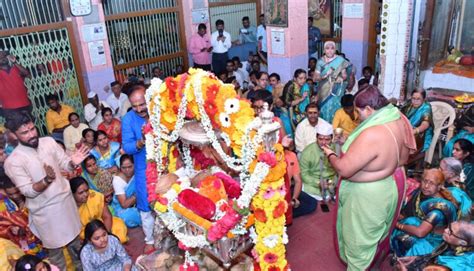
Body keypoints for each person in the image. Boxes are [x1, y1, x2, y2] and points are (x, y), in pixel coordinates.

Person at [321, 86, 417, 270]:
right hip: (391, 184)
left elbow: (344, 169)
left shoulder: (373, 133)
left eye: (358, 111)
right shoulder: (397, 118)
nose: (357, 116)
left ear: (369, 110)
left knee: (359, 240)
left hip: (369, 195)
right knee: (378, 232)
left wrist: (329, 153)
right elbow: (403, 157)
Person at [4, 113, 88, 269]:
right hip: (46, 214)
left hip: (66, 205)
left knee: (78, 250)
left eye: (32, 129)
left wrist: (72, 163)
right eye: (25, 132)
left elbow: (64, 163)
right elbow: (28, 191)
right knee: (57, 259)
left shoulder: (48, 142)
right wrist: (47, 180)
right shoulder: (13, 161)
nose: (31, 135)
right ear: (14, 135)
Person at [391, 169, 471, 257]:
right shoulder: (428, 195)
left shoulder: (438, 209)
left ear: (440, 186)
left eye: (431, 183)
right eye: (425, 181)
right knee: (410, 221)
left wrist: (397, 225)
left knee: (404, 232)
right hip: (428, 229)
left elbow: (420, 232)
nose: (426, 186)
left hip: (433, 241)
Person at [122, 85, 155, 253]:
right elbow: (127, 147)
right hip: (143, 168)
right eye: (134, 106)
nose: (139, 109)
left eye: (142, 104)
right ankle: (150, 239)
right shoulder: (128, 119)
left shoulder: (159, 109)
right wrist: (141, 141)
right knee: (145, 204)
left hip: (166, 163)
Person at [396, 221, 474, 271]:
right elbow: (435, 255)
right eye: (448, 227)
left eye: (450, 232)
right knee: (421, 245)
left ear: (463, 242)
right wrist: (416, 259)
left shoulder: (456, 265)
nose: (445, 230)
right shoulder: (460, 247)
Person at [70, 177, 128, 244]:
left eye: (86, 190)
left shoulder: (94, 196)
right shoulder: (68, 207)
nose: (85, 194)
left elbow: (107, 216)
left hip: (101, 225)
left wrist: (105, 234)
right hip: (84, 233)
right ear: (72, 194)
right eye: (81, 193)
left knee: (119, 227)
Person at [0, 176, 45, 258]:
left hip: (42, 240)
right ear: (4, 192)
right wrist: (10, 229)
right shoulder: (3, 206)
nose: (15, 196)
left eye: (17, 192)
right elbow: (2, 228)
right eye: (10, 194)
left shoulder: (33, 198)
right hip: (22, 246)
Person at [299, 122, 337, 201]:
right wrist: (318, 183)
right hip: (313, 184)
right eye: (320, 139)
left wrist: (333, 182)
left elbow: (340, 170)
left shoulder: (336, 149)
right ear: (316, 137)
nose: (323, 142)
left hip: (332, 182)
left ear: (332, 138)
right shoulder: (308, 151)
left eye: (327, 139)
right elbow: (304, 173)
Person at [314, 41, 349, 123]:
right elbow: (315, 78)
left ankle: (334, 126)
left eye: (332, 48)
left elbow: (344, 75)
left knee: (334, 109)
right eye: (327, 48)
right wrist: (325, 75)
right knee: (324, 109)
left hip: (336, 90)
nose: (330, 51)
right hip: (323, 89)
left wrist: (340, 78)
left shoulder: (340, 60)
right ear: (324, 50)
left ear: (335, 50)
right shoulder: (320, 61)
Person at [0, 51, 32, 121]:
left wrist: (15, 62)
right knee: (17, 129)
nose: (2, 58)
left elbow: (27, 74)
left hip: (24, 104)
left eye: (4, 56)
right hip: (9, 108)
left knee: (28, 125)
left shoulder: (15, 68)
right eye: (0, 57)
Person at [401, 88, 434, 156]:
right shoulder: (409, 105)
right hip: (407, 130)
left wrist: (414, 131)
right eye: (413, 98)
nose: (415, 101)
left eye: (418, 99)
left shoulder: (426, 108)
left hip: (420, 134)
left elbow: (425, 124)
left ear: (424, 99)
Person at [111, 155, 141, 228]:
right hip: (121, 207)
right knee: (127, 217)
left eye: (130, 167)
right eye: (124, 168)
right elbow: (124, 204)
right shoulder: (117, 180)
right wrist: (136, 195)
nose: (127, 170)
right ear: (120, 167)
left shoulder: (138, 174)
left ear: (134, 165)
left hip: (138, 203)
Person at [282, 69, 311, 133]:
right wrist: (302, 99)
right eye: (300, 78)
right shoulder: (290, 86)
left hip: (303, 111)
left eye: (305, 78)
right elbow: (288, 103)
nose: (303, 80)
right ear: (295, 78)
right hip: (291, 111)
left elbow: (309, 99)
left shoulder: (305, 86)